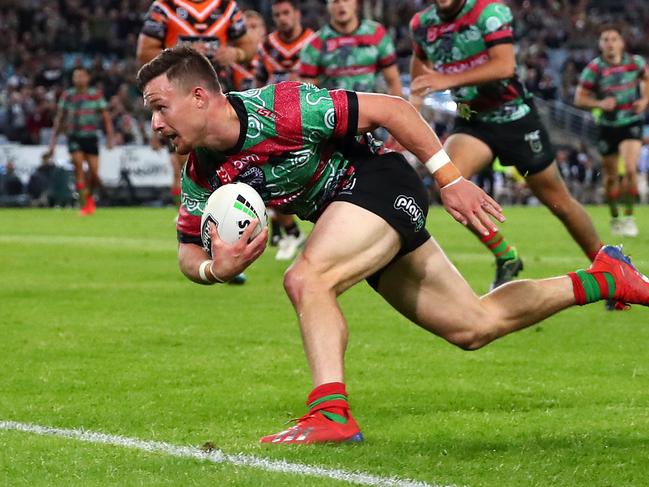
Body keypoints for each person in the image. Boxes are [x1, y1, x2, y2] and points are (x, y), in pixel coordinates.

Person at [136, 46, 649, 445]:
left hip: (380, 183)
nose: (156, 124)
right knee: (473, 326)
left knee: (307, 277)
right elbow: (187, 252)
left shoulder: (282, 108)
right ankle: (606, 276)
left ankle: (330, 414)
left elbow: (393, 109)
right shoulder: (202, 168)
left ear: (200, 97)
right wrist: (214, 270)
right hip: (348, 218)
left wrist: (449, 180)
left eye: (161, 108)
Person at [409, 0, 603, 291]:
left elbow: (504, 65)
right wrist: (415, 102)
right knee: (448, 184)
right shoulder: (422, 25)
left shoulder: (489, 12)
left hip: (515, 117)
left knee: (559, 203)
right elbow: (419, 66)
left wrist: (446, 78)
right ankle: (506, 256)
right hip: (472, 122)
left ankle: (607, 267)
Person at [137, 0, 257, 284]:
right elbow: (144, 52)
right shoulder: (164, 8)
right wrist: (185, 58)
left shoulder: (226, 7)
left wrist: (236, 52)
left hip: (221, 102)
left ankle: (224, 248)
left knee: (232, 176)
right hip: (183, 106)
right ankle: (205, 246)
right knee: (191, 169)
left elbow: (250, 48)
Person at [574, 24, 649, 238]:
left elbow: (646, 79)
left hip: (631, 121)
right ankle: (615, 217)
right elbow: (579, 98)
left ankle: (629, 218)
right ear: (600, 45)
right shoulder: (594, 69)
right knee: (610, 177)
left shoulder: (635, 63)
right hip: (607, 126)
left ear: (621, 43)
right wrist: (598, 103)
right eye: (605, 39)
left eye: (613, 39)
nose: (610, 43)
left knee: (632, 169)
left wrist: (645, 99)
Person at [258, 0, 315, 259]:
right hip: (275, 122)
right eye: (277, 15)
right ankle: (291, 233)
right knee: (269, 177)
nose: (281, 19)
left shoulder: (315, 43)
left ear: (298, 14)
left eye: (286, 13)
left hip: (312, 119)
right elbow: (258, 81)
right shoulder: (266, 46)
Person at [45, 66, 114, 216]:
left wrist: (110, 137)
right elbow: (59, 118)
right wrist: (53, 143)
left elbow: (106, 117)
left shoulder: (95, 95)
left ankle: (88, 197)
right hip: (74, 136)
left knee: (94, 174)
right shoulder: (67, 96)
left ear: (87, 78)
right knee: (78, 166)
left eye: (82, 76)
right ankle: (83, 205)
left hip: (91, 137)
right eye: (76, 76)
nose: (79, 79)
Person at [299, 0, 403, 97]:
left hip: (371, 110)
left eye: (346, 0)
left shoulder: (376, 34)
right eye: (336, 1)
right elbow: (307, 95)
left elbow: (393, 81)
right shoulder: (314, 44)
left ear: (356, 2)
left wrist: (397, 113)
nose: (341, 5)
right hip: (332, 111)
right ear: (328, 6)